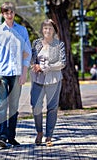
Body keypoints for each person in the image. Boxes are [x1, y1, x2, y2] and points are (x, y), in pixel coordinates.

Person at [0, 2, 31, 148]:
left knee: (13, 107)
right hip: (2, 74)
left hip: (17, 73)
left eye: (11, 11)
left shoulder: (22, 30)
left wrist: (24, 72)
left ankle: (11, 137)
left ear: (14, 13)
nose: (9, 14)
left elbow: (27, 53)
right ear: (3, 14)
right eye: (6, 12)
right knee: (2, 105)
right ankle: (2, 136)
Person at [30, 19, 66, 147]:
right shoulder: (36, 43)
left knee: (52, 108)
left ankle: (49, 136)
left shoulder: (59, 44)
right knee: (36, 106)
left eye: (50, 28)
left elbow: (62, 63)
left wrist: (45, 67)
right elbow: (32, 59)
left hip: (53, 80)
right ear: (42, 30)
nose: (47, 30)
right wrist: (33, 65)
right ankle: (39, 132)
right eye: (45, 28)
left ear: (54, 30)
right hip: (37, 80)